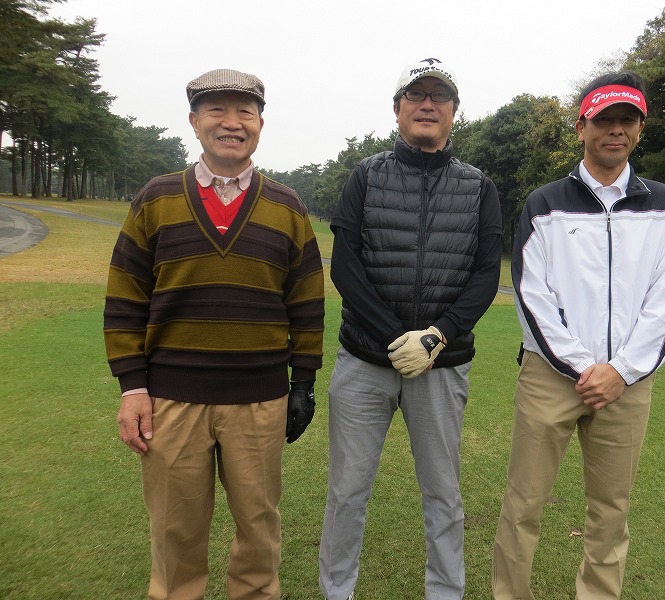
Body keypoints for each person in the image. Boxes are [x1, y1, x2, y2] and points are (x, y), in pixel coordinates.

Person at [103, 68, 325, 600]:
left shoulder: (287, 207)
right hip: (171, 400)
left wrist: (303, 383)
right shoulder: (156, 199)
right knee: (175, 532)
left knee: (258, 530)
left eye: (245, 111)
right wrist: (133, 388)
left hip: (260, 400)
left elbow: (306, 302)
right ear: (194, 121)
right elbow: (126, 297)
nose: (232, 122)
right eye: (217, 110)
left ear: (260, 124)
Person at [492, 71, 665, 600]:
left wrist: (621, 370)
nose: (615, 130)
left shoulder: (663, 203)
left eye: (627, 120)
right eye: (604, 120)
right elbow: (532, 294)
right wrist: (585, 367)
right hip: (550, 377)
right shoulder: (544, 202)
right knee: (524, 503)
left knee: (611, 510)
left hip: (628, 382)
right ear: (582, 127)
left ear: (640, 130)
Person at [318, 58, 502, 600]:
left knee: (443, 494)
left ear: (454, 112)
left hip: (442, 365)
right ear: (397, 109)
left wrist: (436, 335)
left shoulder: (479, 186)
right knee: (347, 492)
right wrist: (395, 336)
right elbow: (345, 265)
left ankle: (445, 592)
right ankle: (336, 591)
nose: (427, 104)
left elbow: (486, 274)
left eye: (438, 96)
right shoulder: (366, 175)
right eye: (415, 95)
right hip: (363, 363)